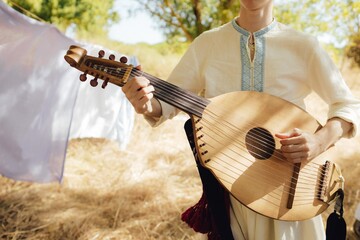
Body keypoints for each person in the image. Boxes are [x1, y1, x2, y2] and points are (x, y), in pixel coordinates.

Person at [122, 0, 360, 239]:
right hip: (228, 193)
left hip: (290, 193)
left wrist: (319, 142)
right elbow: (164, 106)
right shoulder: (207, 44)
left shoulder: (303, 45)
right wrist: (144, 103)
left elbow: (348, 106)